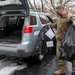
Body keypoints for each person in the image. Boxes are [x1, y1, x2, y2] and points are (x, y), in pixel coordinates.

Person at [47, 5, 75, 75]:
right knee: (59, 54)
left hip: (68, 40)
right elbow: (56, 25)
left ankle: (74, 65)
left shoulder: (70, 16)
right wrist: (50, 25)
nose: (57, 13)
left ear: (62, 10)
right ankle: (62, 69)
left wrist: (73, 22)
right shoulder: (59, 17)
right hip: (59, 39)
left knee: (71, 53)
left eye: (57, 11)